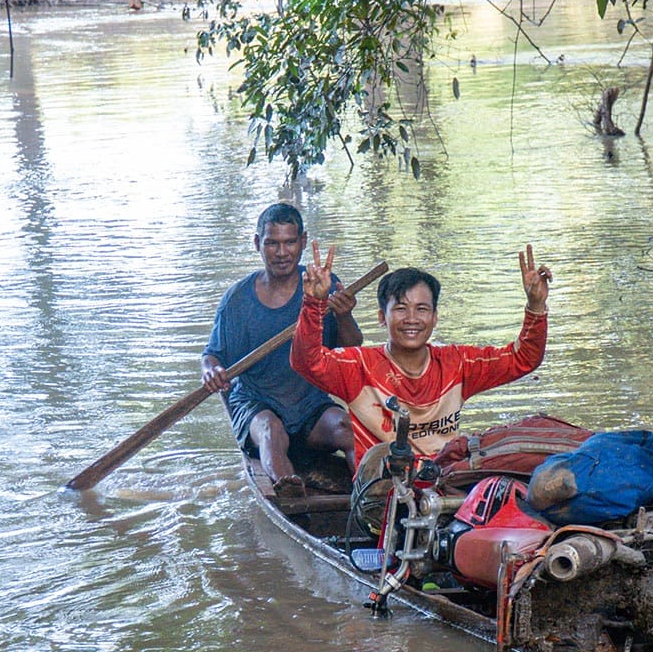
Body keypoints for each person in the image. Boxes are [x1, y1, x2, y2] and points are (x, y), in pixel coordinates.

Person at [290, 242, 550, 467]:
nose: (412, 319)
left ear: (435, 318)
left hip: (443, 484)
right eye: (401, 309)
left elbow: (522, 358)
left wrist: (536, 306)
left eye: (422, 309)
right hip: (381, 497)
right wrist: (314, 303)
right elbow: (306, 362)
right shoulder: (358, 366)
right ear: (382, 317)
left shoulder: (458, 364)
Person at [201, 203, 363, 495]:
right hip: (256, 404)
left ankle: (372, 500)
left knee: (348, 429)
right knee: (271, 432)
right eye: (271, 243)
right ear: (257, 244)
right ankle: (291, 495)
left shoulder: (324, 284)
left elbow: (351, 347)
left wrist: (343, 315)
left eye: (290, 242)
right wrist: (212, 370)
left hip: (309, 404)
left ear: (302, 242)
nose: (281, 252)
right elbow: (213, 355)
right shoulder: (237, 300)